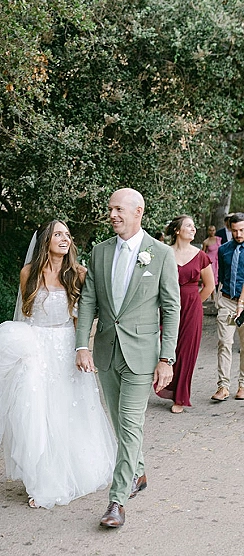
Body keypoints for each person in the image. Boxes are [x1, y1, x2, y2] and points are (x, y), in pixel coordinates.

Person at [0, 220, 116, 509]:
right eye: (58, 234)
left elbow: (83, 317)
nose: (64, 239)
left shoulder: (79, 274)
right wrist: (21, 350)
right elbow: (25, 314)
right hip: (36, 348)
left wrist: (84, 349)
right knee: (34, 413)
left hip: (66, 346)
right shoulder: (28, 273)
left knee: (69, 409)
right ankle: (41, 480)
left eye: (67, 235)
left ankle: (76, 471)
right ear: (46, 240)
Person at [75, 188, 180, 529]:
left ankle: (116, 501)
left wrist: (167, 358)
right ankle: (139, 472)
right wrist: (82, 345)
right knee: (120, 424)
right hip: (107, 350)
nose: (113, 214)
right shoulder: (100, 252)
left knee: (131, 425)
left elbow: (171, 307)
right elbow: (88, 299)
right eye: (110, 209)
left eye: (119, 209)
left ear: (139, 211)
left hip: (142, 354)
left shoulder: (160, 254)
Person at [156, 216, 214, 413]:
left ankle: (180, 397)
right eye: (189, 226)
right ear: (177, 231)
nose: (193, 229)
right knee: (167, 347)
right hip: (167, 307)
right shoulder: (165, 253)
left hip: (191, 308)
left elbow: (209, 286)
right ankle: (168, 385)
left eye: (194, 226)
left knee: (186, 352)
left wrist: (194, 303)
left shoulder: (201, 256)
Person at [211, 212, 244, 402]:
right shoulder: (223, 250)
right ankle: (223, 386)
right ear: (230, 230)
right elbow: (222, 276)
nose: (238, 234)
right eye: (235, 231)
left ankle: (242, 385)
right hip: (226, 301)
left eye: (242, 230)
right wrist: (218, 298)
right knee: (224, 343)